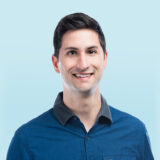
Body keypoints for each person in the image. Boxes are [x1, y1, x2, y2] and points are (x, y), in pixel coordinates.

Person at [7, 13, 154, 160]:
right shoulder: (26, 140)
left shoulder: (134, 132)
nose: (83, 64)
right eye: (72, 53)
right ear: (55, 63)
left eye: (91, 52)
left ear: (105, 59)